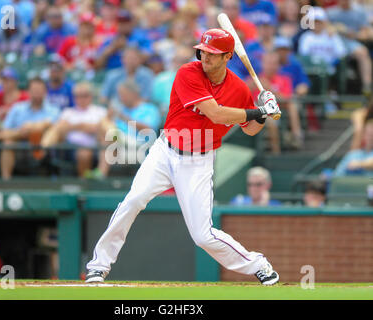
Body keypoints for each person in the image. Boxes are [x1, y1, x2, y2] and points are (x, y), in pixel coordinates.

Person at [85, 28, 281, 285]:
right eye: (203, 51)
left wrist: (265, 113)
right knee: (133, 201)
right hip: (165, 151)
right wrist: (257, 111)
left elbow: (252, 130)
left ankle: (258, 265)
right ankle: (98, 266)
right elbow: (217, 114)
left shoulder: (238, 88)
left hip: (198, 161)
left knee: (202, 236)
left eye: (212, 54)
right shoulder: (188, 72)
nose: (205, 57)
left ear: (227, 56)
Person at [0, 77, 60, 180]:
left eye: (39, 90)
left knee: (38, 132)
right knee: (8, 142)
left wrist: (29, 128)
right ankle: (6, 181)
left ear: (45, 92)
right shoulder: (17, 108)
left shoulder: (53, 109)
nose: (36, 93)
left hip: (42, 148)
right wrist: (20, 133)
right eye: (34, 90)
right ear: (28, 91)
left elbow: (51, 127)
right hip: (19, 147)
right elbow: (6, 129)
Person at [41, 81, 109, 178]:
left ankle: (95, 177)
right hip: (70, 148)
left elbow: (104, 128)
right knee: (82, 152)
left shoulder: (100, 111)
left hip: (95, 146)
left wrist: (73, 126)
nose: (81, 99)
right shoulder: (68, 112)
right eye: (78, 96)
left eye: (85, 95)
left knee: (91, 148)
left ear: (91, 96)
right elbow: (60, 127)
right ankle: (43, 149)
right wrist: (82, 126)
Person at [247, 51, 303, 153]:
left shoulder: (285, 79)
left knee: (292, 104)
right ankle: (276, 152)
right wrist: (252, 86)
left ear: (278, 65)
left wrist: (270, 89)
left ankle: (296, 136)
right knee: (270, 119)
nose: (271, 66)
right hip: (259, 111)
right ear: (263, 64)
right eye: (268, 63)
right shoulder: (255, 79)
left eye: (274, 63)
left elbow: (287, 98)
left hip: (278, 109)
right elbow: (246, 97)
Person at [327, 0, 373, 95]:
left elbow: (366, 33)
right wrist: (334, 28)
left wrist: (354, 35)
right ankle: (330, 90)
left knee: (363, 52)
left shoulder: (359, 12)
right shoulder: (330, 12)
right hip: (334, 43)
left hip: (352, 43)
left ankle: (367, 86)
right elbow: (323, 28)